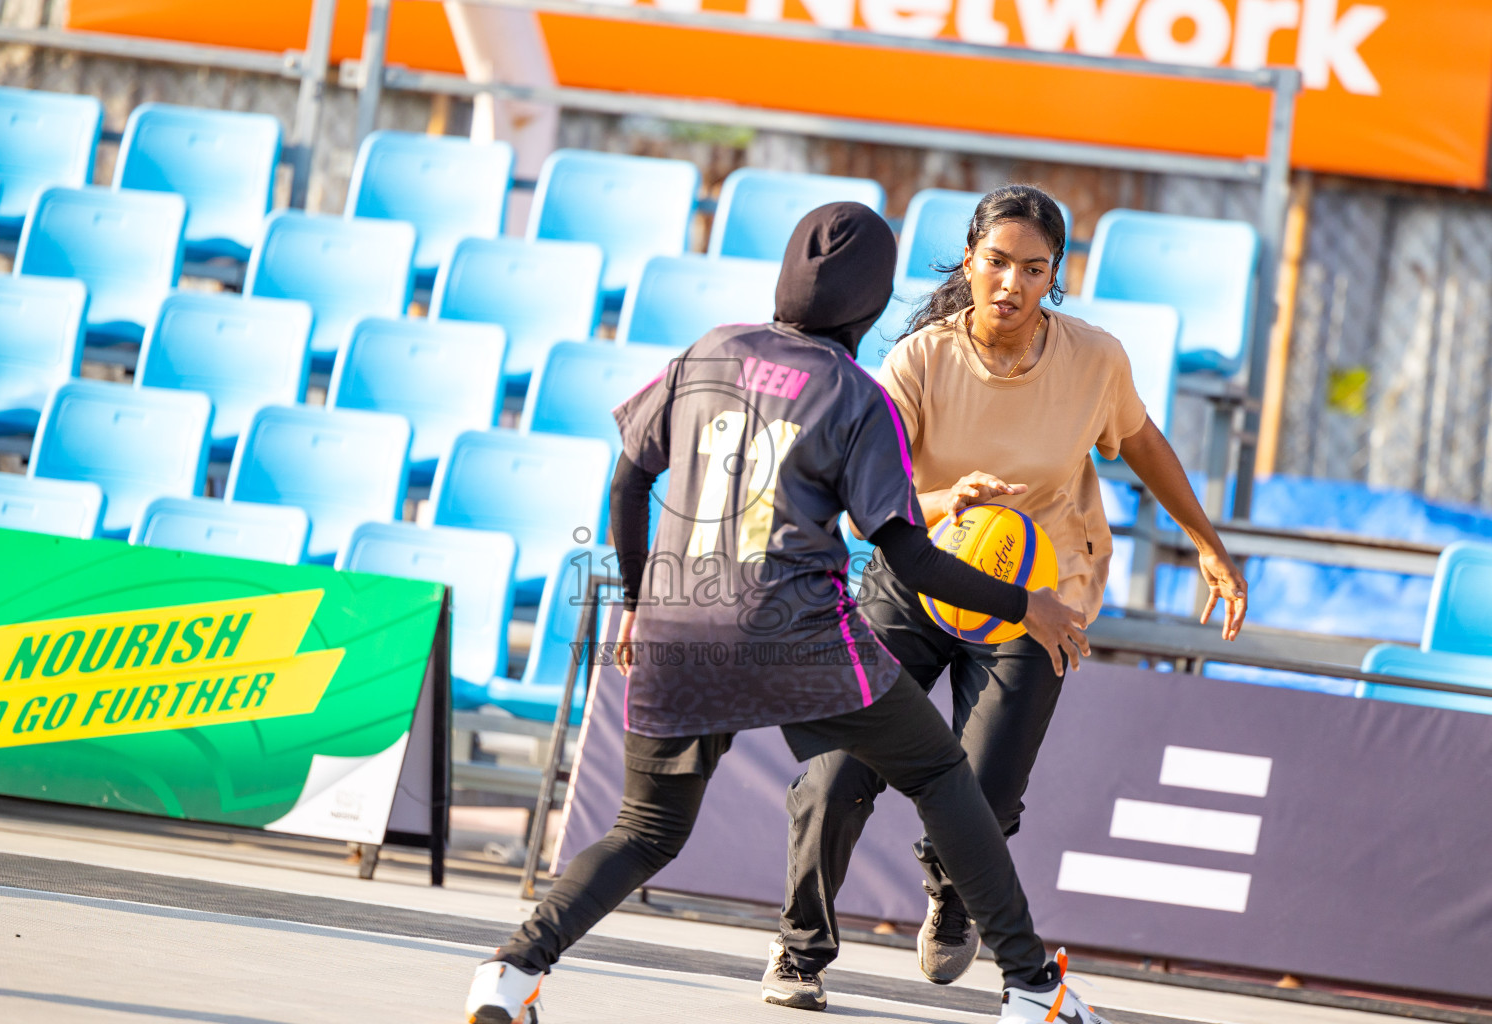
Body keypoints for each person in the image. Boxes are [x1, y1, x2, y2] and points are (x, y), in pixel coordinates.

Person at [466, 202, 1113, 1024]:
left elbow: (630, 481)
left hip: (678, 625)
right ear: (873, 302)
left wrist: (636, 602)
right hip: (798, 638)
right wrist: (1028, 605)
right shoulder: (856, 397)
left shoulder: (710, 350)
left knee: (644, 828)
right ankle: (1031, 989)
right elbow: (909, 557)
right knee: (941, 775)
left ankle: (512, 972)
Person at [763, 185, 1248, 1011]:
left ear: (1054, 277)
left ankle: (951, 892)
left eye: (1034, 268)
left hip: (1036, 597)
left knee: (981, 797)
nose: (1012, 284)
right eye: (997, 262)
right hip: (916, 578)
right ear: (971, 260)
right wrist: (949, 502)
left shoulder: (1095, 359)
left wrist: (1208, 542)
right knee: (836, 772)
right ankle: (800, 948)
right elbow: (862, 484)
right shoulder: (920, 359)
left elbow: (1142, 442)